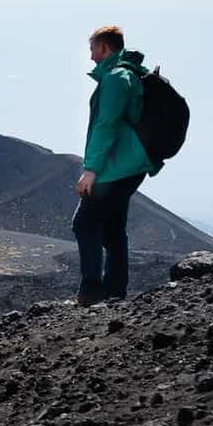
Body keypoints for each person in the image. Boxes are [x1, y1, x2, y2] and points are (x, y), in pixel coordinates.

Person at [72, 26, 161, 307]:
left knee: (84, 222)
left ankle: (91, 289)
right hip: (131, 164)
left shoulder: (115, 78)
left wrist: (91, 169)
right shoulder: (130, 74)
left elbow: (106, 125)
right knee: (112, 227)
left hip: (118, 166)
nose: (90, 57)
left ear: (104, 48)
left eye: (92, 50)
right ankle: (114, 293)